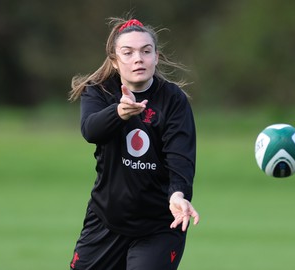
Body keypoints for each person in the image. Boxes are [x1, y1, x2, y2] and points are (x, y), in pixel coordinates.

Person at [68, 17, 199, 270]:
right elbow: (90, 130)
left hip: (159, 226)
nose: (138, 58)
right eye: (128, 53)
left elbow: (180, 157)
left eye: (146, 51)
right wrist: (119, 113)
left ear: (156, 57)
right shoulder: (99, 92)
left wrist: (178, 194)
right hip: (106, 220)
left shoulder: (173, 100)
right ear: (115, 61)